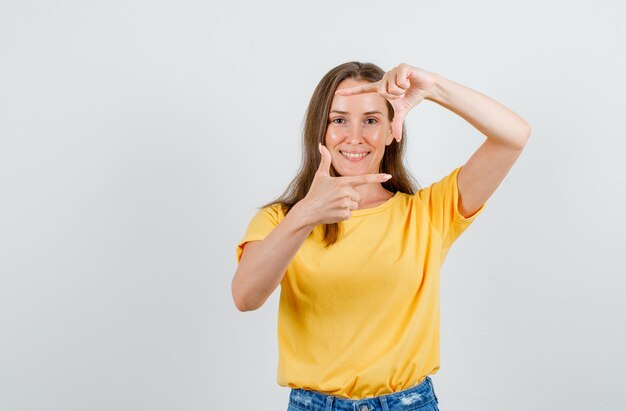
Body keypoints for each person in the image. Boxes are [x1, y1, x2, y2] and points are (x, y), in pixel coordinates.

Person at [232, 62, 531, 411]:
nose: (354, 136)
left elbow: (514, 136)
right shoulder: (280, 219)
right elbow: (245, 297)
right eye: (339, 120)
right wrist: (306, 214)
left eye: (371, 120)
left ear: (392, 129)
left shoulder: (428, 213)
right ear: (320, 131)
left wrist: (432, 86)